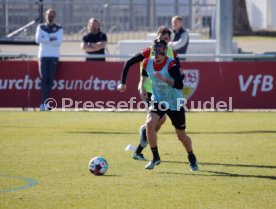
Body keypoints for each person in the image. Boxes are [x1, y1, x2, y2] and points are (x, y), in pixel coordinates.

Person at [118, 39, 198, 171]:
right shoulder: (146, 62)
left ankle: (191, 156)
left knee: (181, 136)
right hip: (158, 100)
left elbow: (180, 84)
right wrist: (142, 87)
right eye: (155, 53)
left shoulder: (171, 64)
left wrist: (165, 79)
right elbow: (143, 74)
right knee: (149, 123)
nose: (157, 56)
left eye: (160, 53)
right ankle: (155, 157)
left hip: (175, 102)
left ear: (165, 52)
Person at [119, 26, 183, 161]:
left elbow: (179, 74)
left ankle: (139, 149)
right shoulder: (150, 51)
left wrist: (179, 80)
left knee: (160, 121)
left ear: (169, 40)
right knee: (155, 121)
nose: (162, 41)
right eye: (160, 38)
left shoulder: (172, 53)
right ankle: (143, 146)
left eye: (166, 39)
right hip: (150, 91)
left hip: (166, 94)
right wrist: (124, 82)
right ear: (156, 38)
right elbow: (129, 62)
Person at [35, 8, 63, 111]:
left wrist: (46, 38)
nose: (50, 17)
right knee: (44, 79)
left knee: (50, 80)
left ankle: (47, 103)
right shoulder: (41, 27)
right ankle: (44, 103)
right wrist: (51, 38)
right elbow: (38, 40)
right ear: (45, 16)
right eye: (48, 15)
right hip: (43, 56)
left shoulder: (59, 28)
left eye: (52, 15)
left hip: (54, 56)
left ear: (54, 17)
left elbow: (58, 42)